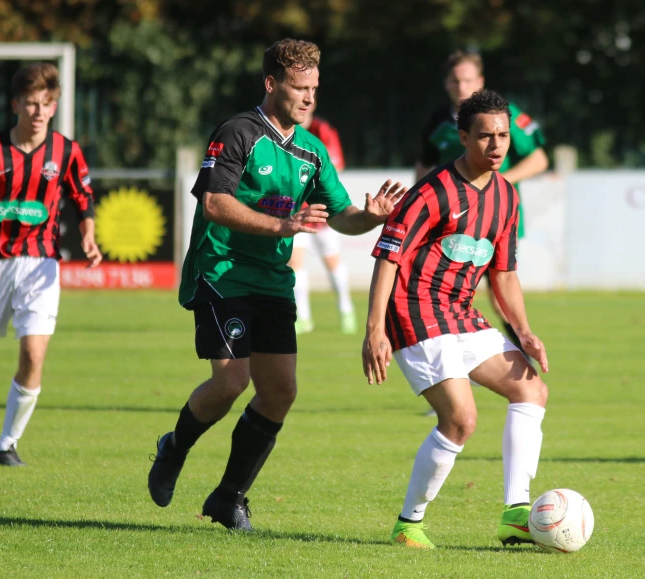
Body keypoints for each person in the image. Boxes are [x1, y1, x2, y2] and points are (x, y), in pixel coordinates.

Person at [148, 38, 407, 531]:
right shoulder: (238, 133)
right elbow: (215, 204)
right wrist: (283, 226)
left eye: (314, 88)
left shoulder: (312, 151)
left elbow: (341, 215)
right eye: (298, 87)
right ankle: (174, 446)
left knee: (280, 393)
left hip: (271, 282)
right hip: (221, 271)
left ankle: (228, 498)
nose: (309, 98)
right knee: (230, 382)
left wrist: (370, 217)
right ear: (272, 84)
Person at [363, 90, 549, 549]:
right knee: (461, 419)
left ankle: (516, 513)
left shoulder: (507, 196)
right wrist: (374, 331)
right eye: (485, 136)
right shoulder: (432, 192)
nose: (497, 145)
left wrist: (523, 331)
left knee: (531, 387)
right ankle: (409, 523)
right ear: (463, 137)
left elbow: (503, 274)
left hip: (461, 312)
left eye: (503, 136)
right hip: (414, 310)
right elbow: (387, 258)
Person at [0, 63, 102, 467]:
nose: (38, 112)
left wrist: (87, 234)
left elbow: (83, 197)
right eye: (30, 103)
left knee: (33, 354)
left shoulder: (66, 152)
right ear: (16, 104)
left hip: (40, 264)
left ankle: (8, 443)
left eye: (45, 104)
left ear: (54, 106)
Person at [415, 51, 548, 357]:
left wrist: (498, 184)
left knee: (500, 294)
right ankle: (450, 379)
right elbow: (424, 166)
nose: (462, 86)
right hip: (448, 222)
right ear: (446, 83)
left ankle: (522, 360)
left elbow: (540, 157)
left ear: (481, 81)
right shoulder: (438, 122)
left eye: (468, 80)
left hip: (493, 222)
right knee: (444, 297)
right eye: (455, 80)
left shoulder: (504, 115)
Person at [288, 102, 356, 334]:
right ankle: (303, 318)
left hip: (321, 212)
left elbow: (336, 166)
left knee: (332, 263)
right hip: (295, 213)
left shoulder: (323, 130)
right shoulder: (283, 131)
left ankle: (346, 309)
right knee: (294, 263)